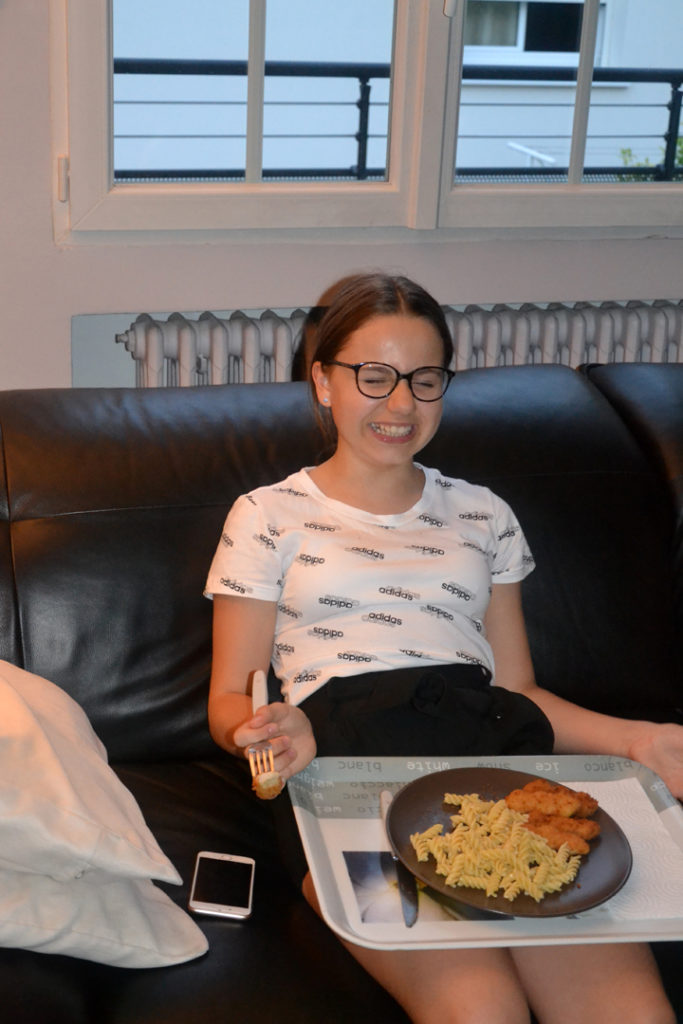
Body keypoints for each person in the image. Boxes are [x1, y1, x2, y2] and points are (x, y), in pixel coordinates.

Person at [206, 272, 678, 1024]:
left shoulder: (484, 514)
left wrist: (639, 740)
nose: (401, 404)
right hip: (344, 774)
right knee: (481, 1010)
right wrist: (272, 731)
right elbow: (233, 696)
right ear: (323, 382)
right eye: (374, 376)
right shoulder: (266, 515)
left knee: (631, 1016)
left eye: (424, 380)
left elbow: (517, 694)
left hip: (496, 772)